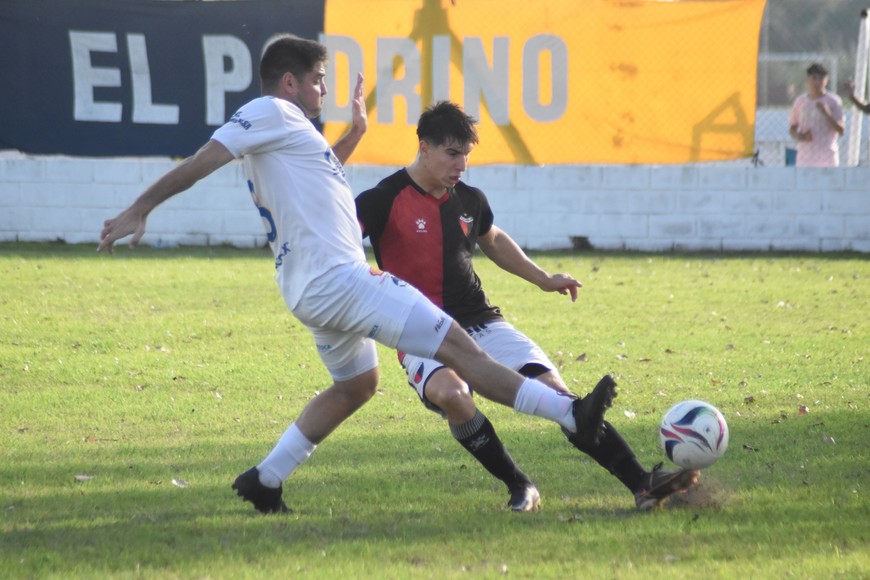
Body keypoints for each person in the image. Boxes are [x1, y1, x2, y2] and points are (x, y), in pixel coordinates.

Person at [97, 35, 617, 515]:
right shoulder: (270, 110)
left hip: (309, 288)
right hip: (338, 281)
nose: (324, 87)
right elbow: (203, 160)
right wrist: (141, 207)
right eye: (319, 78)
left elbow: (319, 179)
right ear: (289, 83)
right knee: (460, 347)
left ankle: (267, 478)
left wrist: (354, 136)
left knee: (357, 384)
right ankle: (570, 415)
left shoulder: (292, 132)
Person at [354, 101, 700, 512]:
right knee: (452, 394)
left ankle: (642, 483)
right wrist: (364, 281)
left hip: (482, 322)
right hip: (418, 330)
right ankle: (519, 485)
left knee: (562, 397)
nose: (461, 164)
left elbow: (494, 239)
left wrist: (543, 279)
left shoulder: (469, 199)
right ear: (424, 147)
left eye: (466, 155)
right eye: (452, 154)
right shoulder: (382, 199)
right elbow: (341, 244)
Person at [788, 63, 845, 167]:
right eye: (814, 78)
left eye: (821, 79)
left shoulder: (834, 101)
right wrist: (800, 136)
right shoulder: (800, 102)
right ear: (807, 80)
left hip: (827, 157)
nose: (817, 82)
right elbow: (792, 127)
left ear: (826, 80)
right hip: (805, 158)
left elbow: (841, 130)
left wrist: (827, 113)